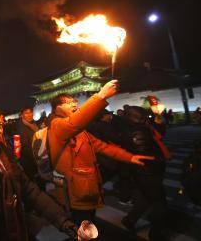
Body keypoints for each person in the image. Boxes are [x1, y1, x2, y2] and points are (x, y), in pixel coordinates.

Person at [0, 107, 83, 241]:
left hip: (13, 230)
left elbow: (30, 191)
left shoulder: (3, 152)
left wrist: (63, 221)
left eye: (0, 125)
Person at [47, 80, 154, 225]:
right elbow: (75, 122)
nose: (74, 104)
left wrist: (130, 157)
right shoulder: (57, 125)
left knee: (88, 223)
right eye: (68, 102)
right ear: (57, 109)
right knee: (83, 226)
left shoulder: (80, 131)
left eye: (74, 101)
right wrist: (101, 95)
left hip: (87, 187)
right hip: (75, 191)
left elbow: (102, 147)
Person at [120, 106, 169, 240]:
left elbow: (158, 135)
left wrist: (159, 122)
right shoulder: (139, 132)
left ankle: (130, 220)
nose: (147, 119)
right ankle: (156, 234)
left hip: (142, 173)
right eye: (143, 117)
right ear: (137, 118)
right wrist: (159, 162)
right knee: (160, 204)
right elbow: (145, 156)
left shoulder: (135, 129)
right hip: (148, 173)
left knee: (145, 199)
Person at [15, 106, 39, 181]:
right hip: (30, 161)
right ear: (22, 115)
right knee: (35, 181)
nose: (29, 115)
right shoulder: (20, 128)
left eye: (30, 112)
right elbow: (25, 148)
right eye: (26, 113)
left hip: (37, 157)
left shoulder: (34, 124)